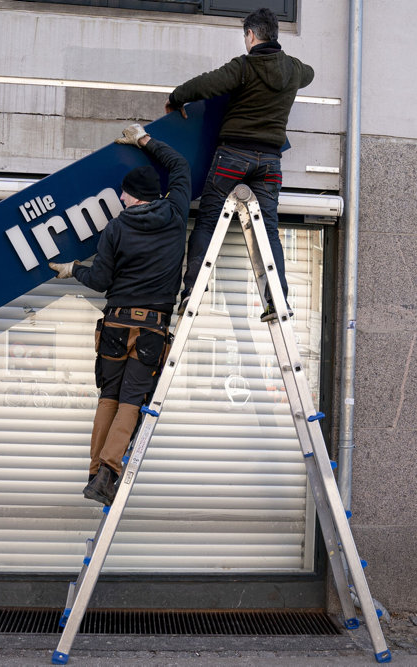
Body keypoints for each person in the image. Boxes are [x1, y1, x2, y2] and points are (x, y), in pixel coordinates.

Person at [48, 123, 190, 506]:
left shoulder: (115, 229)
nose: (122, 199)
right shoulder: (176, 212)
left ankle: (95, 471)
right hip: (151, 330)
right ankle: (109, 472)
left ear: (133, 196)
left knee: (108, 395)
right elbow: (179, 167)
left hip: (114, 324)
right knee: (131, 399)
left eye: (125, 194)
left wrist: (71, 268)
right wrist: (144, 139)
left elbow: (98, 280)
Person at [166, 7, 314, 321]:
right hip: (270, 163)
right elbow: (310, 73)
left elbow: (206, 85)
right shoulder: (294, 70)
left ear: (250, 34)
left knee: (207, 222)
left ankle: (191, 292)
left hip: (233, 156)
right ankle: (277, 300)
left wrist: (177, 97)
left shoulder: (244, 67)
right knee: (270, 232)